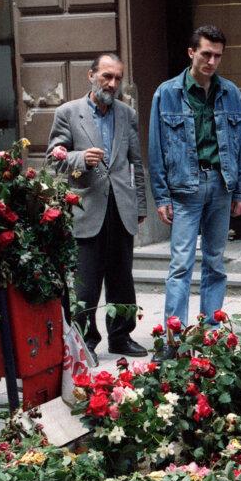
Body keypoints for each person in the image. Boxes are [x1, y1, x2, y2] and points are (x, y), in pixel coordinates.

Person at [148, 25, 241, 355]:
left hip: (220, 185)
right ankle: (174, 340)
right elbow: (156, 148)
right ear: (192, 52)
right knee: (180, 265)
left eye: (218, 55)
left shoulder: (230, 93)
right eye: (206, 54)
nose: (212, 61)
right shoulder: (167, 93)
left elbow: (240, 144)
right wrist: (161, 196)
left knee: (215, 263)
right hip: (184, 189)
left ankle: (211, 336)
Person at [47, 53, 147, 358]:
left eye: (117, 78)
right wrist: (80, 158)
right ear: (91, 75)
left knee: (122, 279)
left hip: (121, 207)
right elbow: (53, 159)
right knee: (85, 283)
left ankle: (121, 336)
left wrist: (140, 206)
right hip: (86, 208)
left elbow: (135, 163)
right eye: (107, 76)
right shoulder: (68, 112)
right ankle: (84, 340)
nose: (112, 83)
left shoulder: (127, 114)